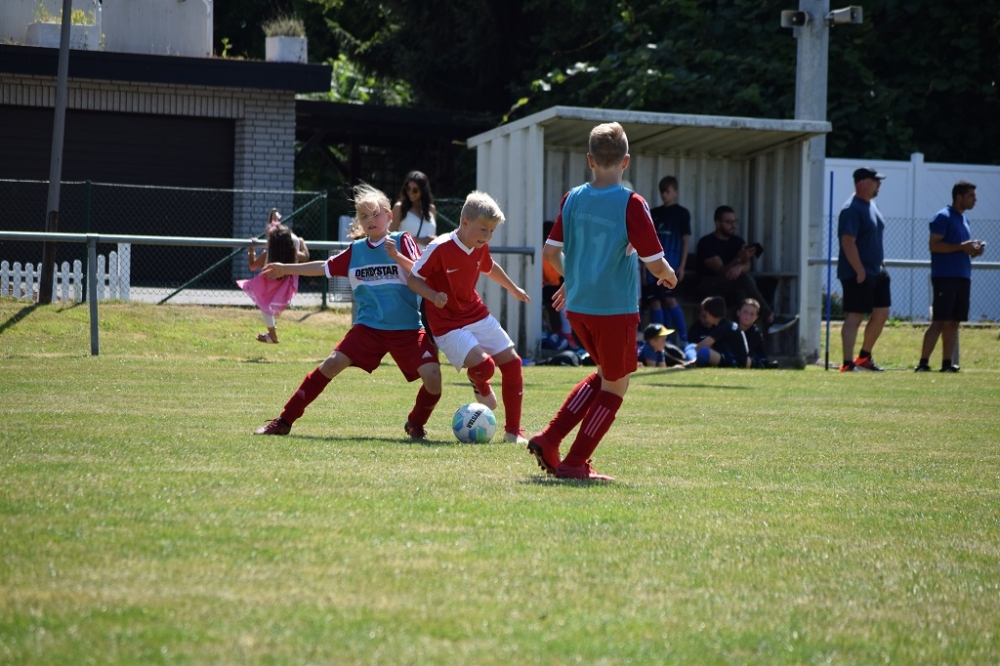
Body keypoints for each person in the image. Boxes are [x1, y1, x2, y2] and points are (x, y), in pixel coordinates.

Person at [527, 121, 677, 482]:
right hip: (614, 308)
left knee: (606, 374)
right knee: (616, 385)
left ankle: (549, 439)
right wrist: (670, 275)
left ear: (589, 160)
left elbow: (550, 253)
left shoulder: (572, 197)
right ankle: (575, 463)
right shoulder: (632, 203)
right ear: (626, 161)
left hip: (579, 308)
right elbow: (654, 261)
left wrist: (574, 279)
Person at [252, 184, 442, 439]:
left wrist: (396, 255)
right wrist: (285, 268)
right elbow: (323, 267)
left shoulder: (401, 240)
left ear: (388, 215)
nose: (370, 220)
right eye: (364, 216)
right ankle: (284, 421)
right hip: (368, 328)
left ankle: (415, 423)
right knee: (330, 364)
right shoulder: (356, 250)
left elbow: (421, 272)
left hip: (407, 329)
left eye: (375, 214)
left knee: (433, 378)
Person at [407, 190, 531, 445]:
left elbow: (489, 266)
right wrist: (433, 295)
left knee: (513, 363)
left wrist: (513, 288)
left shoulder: (479, 245)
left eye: (492, 231)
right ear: (465, 222)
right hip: (447, 324)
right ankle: (479, 381)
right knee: (485, 367)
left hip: (475, 312)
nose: (487, 236)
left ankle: (513, 432)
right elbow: (413, 279)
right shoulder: (440, 247)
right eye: (483, 229)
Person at [915, 180, 986, 373]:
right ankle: (923, 364)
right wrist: (962, 247)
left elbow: (961, 249)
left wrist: (973, 251)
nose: (975, 200)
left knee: (954, 322)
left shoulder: (964, 219)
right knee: (939, 321)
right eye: (971, 196)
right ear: (959, 197)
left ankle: (947, 364)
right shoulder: (942, 216)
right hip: (945, 277)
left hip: (963, 276)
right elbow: (934, 245)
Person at [838, 167, 890, 372]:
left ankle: (864, 357)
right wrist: (859, 270)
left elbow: (871, 236)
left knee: (882, 312)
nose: (880, 184)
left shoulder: (872, 205)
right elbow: (848, 242)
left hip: (876, 271)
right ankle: (847, 363)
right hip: (857, 273)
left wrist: (879, 260)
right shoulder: (851, 209)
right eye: (876, 181)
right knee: (855, 316)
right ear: (863, 183)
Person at [240, 208, 310, 344]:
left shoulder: (268, 254)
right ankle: (271, 335)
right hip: (286, 285)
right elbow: (306, 256)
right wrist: (302, 243)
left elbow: (252, 266)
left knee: (264, 304)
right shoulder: (292, 253)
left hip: (269, 285)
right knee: (266, 306)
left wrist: (251, 249)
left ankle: (272, 335)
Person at [696, 205, 773, 326]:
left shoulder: (737, 241)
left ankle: (739, 332)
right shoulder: (706, 243)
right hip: (708, 285)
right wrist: (738, 259)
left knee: (740, 291)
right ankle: (768, 315)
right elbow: (721, 271)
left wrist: (740, 266)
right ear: (717, 223)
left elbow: (747, 266)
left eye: (734, 222)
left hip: (730, 287)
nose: (733, 226)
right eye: (728, 222)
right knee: (742, 279)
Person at [644, 175, 691, 345]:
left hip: (671, 266)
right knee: (655, 302)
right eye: (662, 191)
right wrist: (644, 270)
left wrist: (682, 266)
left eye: (668, 191)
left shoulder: (682, 213)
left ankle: (684, 341)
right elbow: (647, 242)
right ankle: (663, 342)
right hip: (653, 268)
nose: (664, 195)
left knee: (670, 300)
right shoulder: (654, 213)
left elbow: (686, 240)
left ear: (675, 192)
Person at [686, 296, 749, 368]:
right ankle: (693, 362)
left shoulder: (723, 327)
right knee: (692, 346)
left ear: (708, 314)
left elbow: (700, 346)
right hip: (729, 357)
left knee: (702, 351)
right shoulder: (724, 324)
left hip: (735, 362)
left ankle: (692, 362)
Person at [390, 170, 437, 247]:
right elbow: (389, 235)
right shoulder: (400, 207)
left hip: (429, 253)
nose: (410, 192)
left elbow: (433, 234)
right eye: (408, 188)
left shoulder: (431, 209)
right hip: (407, 253)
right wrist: (418, 240)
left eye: (415, 190)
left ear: (423, 191)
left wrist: (436, 239)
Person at [735, 298, 777, 369]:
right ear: (738, 312)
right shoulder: (732, 329)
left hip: (754, 360)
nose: (748, 316)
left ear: (756, 317)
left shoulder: (755, 333)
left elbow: (744, 351)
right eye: (745, 312)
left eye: (752, 314)